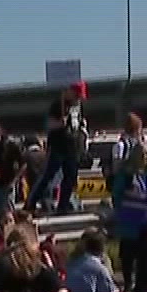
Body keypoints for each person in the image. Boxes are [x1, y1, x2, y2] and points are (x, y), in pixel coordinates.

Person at [29, 82, 89, 214]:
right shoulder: (58, 105)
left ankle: (63, 205)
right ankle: (31, 203)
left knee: (70, 177)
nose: (78, 99)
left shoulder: (77, 106)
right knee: (48, 175)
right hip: (58, 146)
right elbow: (49, 125)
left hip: (72, 147)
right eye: (77, 95)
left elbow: (77, 123)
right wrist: (59, 123)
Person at [111, 145, 147, 292]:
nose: (144, 157)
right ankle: (128, 284)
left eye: (146, 154)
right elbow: (116, 195)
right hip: (129, 223)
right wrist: (122, 212)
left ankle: (141, 287)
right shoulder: (126, 174)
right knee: (128, 256)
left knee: (144, 257)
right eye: (141, 154)